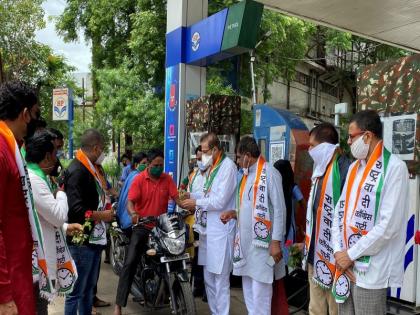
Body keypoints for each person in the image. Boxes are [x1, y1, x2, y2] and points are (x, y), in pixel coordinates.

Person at [331, 110, 409, 315]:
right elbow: (340, 211)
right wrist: (340, 252)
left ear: (367, 135)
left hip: (372, 270)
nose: (348, 141)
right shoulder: (355, 167)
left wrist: (350, 255)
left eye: (351, 136)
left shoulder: (394, 168)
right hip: (345, 266)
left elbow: (388, 226)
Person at [220, 136, 286, 315]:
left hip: (263, 248)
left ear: (248, 155)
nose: (238, 161)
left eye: (239, 157)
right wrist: (234, 213)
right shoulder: (247, 175)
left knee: (261, 295)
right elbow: (249, 206)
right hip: (246, 245)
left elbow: (280, 209)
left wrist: (276, 242)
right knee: (249, 292)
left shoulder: (270, 173)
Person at [114, 149, 180, 315]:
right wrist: (133, 214)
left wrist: (190, 206)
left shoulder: (167, 180)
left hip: (161, 227)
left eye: (161, 165)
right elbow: (130, 203)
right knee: (130, 262)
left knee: (175, 255)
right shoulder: (139, 180)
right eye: (155, 165)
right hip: (142, 226)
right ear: (148, 165)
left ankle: (170, 293)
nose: (159, 168)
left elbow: (178, 199)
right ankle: (118, 305)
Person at [25, 130, 82, 314]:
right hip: (35, 262)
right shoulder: (34, 180)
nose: (57, 158)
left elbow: (43, 216)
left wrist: (65, 228)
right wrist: (61, 192)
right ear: (48, 156)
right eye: (56, 152)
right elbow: (57, 215)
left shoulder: (38, 177)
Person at [180, 133, 237, 315]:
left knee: (220, 280)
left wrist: (196, 203)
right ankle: (215, 312)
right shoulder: (212, 167)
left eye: (205, 151)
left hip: (220, 231)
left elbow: (219, 201)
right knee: (209, 278)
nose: (202, 155)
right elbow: (206, 195)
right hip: (206, 231)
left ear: (215, 149)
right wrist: (191, 196)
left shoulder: (228, 167)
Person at [0, 81, 41, 315]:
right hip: (10, 288)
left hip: (18, 276)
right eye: (34, 114)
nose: (33, 123)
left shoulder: (11, 148)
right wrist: (4, 296)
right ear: (25, 113)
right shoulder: (2, 150)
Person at [302, 122, 351, 315]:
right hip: (316, 252)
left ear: (324, 146)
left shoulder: (345, 169)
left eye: (312, 146)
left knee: (335, 308)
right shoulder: (320, 169)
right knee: (316, 308)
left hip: (336, 256)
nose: (310, 150)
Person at [64, 129, 114, 315]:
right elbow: (76, 210)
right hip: (81, 240)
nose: (102, 154)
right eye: (102, 149)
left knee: (87, 290)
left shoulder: (89, 169)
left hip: (93, 238)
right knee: (76, 292)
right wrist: (102, 216)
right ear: (95, 148)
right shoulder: (77, 170)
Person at [272, 159, 306, 315]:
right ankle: (291, 290)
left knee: (284, 260)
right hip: (289, 230)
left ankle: (284, 291)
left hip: (282, 230)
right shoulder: (292, 187)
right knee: (291, 262)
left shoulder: (276, 186)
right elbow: (302, 202)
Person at [188, 145, 208, 299]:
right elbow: (190, 193)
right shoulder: (193, 175)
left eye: (203, 157)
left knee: (208, 258)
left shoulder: (211, 175)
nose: (200, 161)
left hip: (209, 223)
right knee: (196, 255)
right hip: (195, 222)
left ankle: (208, 290)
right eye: (198, 158)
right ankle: (198, 285)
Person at [116, 152, 148, 238]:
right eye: (144, 163)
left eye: (147, 163)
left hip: (122, 217)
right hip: (130, 221)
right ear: (137, 164)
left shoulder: (132, 174)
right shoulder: (138, 177)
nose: (146, 166)